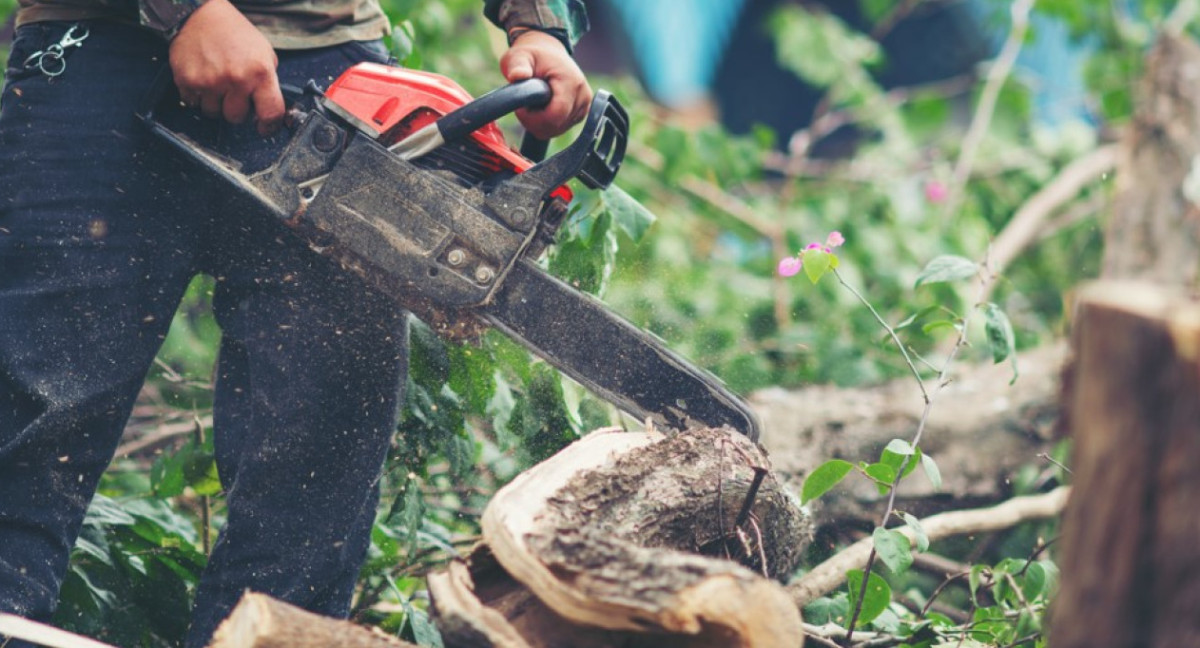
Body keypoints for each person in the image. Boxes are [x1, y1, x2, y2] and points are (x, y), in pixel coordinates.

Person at [0, 0, 591, 645]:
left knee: (314, 481)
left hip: (333, 73)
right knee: (31, 432)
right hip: (105, 51)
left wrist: (538, 26)